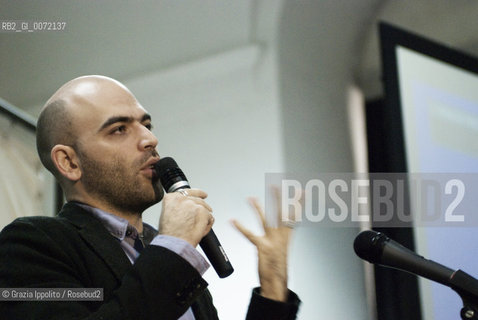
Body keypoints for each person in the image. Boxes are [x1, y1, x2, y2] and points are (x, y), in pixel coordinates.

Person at [0, 75, 300, 319]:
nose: (150, 139)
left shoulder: (167, 252)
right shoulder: (32, 244)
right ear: (69, 162)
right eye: (119, 129)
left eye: (146, 124)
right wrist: (174, 249)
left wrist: (273, 289)